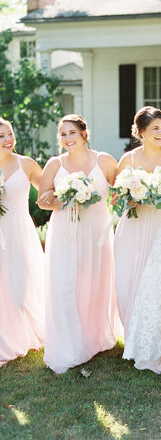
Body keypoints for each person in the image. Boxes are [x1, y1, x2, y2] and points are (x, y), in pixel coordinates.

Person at [38, 114, 119, 374]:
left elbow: (122, 191)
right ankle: (67, 344)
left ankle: (92, 338)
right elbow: (42, 200)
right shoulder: (55, 164)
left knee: (92, 284)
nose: (67, 138)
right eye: (62, 134)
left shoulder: (103, 160)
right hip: (64, 230)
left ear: (84, 133)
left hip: (95, 232)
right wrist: (66, 198)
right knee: (64, 286)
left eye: (72, 132)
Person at [114, 106, 161, 337]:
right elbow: (117, 195)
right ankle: (133, 334)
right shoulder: (128, 159)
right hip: (133, 225)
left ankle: (157, 336)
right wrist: (130, 197)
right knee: (128, 279)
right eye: (155, 128)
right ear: (141, 132)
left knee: (158, 282)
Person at [0, 118, 45, 366]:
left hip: (19, 232)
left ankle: (25, 332)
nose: (8, 140)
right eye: (1, 136)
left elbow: (47, 191)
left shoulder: (26, 164)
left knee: (20, 287)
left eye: (10, 134)